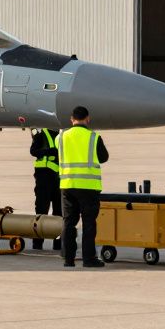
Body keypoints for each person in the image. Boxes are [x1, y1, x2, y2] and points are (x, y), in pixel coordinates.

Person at [58, 106, 109, 268]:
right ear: (88, 119)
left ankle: (68, 259)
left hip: (67, 185)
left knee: (68, 223)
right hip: (88, 187)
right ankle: (88, 259)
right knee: (88, 224)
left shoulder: (61, 137)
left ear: (71, 119)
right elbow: (104, 158)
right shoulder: (93, 137)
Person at [28, 127, 61, 251]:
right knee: (41, 210)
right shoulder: (42, 133)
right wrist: (49, 151)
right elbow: (33, 151)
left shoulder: (61, 134)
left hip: (58, 177)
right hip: (44, 176)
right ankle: (37, 243)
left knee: (59, 212)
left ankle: (58, 243)